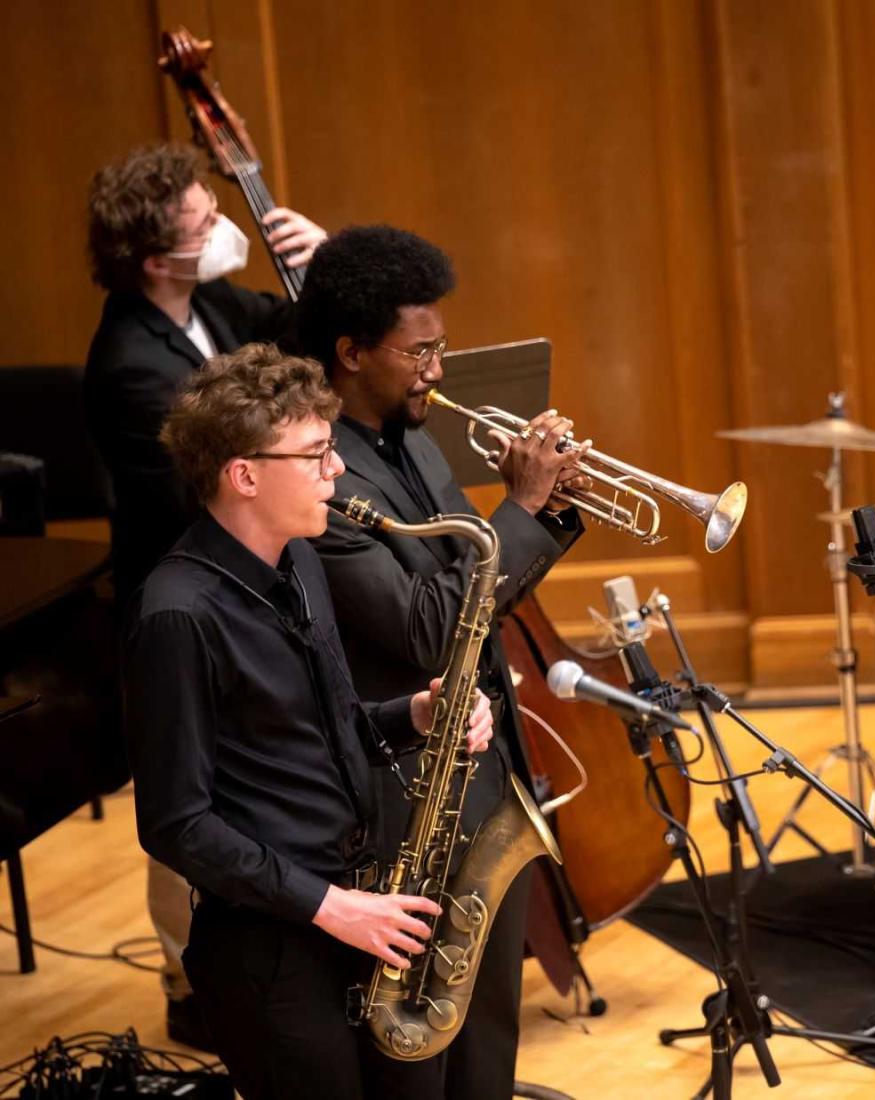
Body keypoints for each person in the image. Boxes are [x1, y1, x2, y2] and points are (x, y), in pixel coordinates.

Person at [123, 344, 497, 1099]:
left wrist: (420, 715)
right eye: (318, 454)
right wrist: (333, 909)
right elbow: (175, 823)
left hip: (361, 912)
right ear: (244, 474)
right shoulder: (177, 616)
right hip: (274, 953)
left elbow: (324, 726)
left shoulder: (300, 563)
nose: (337, 472)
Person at [298, 225, 588, 1099]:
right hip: (403, 800)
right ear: (351, 352)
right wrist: (522, 506)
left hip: (477, 774)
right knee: (423, 1047)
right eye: (418, 352)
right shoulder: (323, 476)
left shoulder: (414, 441)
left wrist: (550, 512)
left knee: (490, 1035)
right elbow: (429, 629)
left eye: (442, 348)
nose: (437, 371)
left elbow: (481, 586)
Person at [81, 143, 327, 1048]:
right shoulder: (126, 362)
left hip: (245, 586)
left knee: (235, 786)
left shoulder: (215, 304)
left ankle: (219, 967)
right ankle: (191, 982)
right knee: (189, 792)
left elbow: (303, 353)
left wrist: (320, 266)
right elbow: (206, 489)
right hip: (187, 607)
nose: (225, 229)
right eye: (202, 222)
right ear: (155, 258)